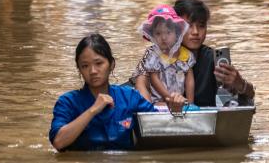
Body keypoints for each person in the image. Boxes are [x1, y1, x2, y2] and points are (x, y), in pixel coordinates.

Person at [49, 34, 187, 151]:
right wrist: (92, 110)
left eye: (99, 63)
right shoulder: (67, 102)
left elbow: (156, 128)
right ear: (79, 69)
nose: (92, 71)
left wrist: (174, 113)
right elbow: (58, 142)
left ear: (111, 65)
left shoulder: (129, 97)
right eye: (85, 66)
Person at [133, 0, 255, 107]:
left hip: (202, 120)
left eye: (201, 26)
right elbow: (140, 82)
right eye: (189, 26)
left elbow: (248, 94)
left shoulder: (212, 59)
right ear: (176, 27)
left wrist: (239, 83)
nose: (195, 32)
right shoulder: (155, 53)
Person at [135, 4, 196, 104]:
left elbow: (189, 80)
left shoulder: (185, 55)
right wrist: (168, 98)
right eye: (158, 33)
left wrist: (190, 102)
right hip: (159, 100)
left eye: (168, 32)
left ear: (176, 33)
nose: (163, 38)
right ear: (152, 35)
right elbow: (155, 80)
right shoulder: (153, 55)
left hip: (179, 100)